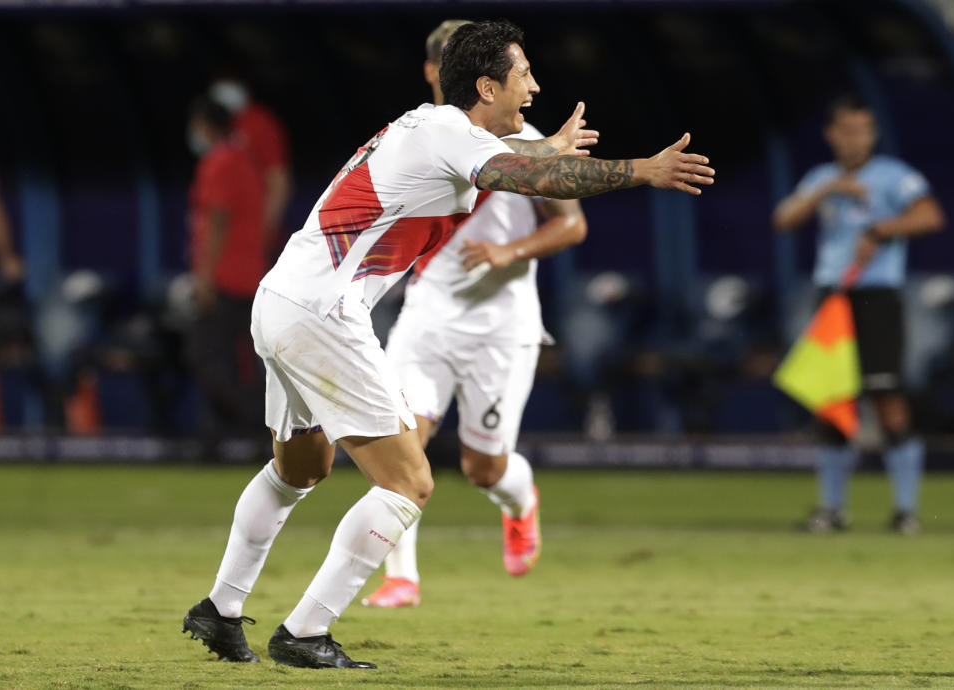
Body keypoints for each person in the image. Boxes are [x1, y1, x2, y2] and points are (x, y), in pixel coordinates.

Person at [182, 19, 714, 670]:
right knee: (410, 481)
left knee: (300, 470)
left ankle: (220, 610)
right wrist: (643, 169)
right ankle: (305, 632)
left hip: (283, 302)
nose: (535, 84)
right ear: (486, 86)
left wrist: (551, 147)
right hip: (324, 314)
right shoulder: (444, 132)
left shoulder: (446, 129)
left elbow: (534, 163)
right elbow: (534, 180)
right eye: (524, 74)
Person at [361, 19, 588, 609]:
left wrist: (508, 252)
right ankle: (400, 576)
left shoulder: (527, 140)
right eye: (442, 61)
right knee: (401, 443)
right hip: (429, 315)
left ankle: (521, 501)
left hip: (501, 325)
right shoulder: (416, 137)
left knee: (483, 468)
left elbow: (572, 223)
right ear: (435, 71)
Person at [773, 94, 945, 534]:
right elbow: (785, 218)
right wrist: (826, 190)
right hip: (834, 296)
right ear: (832, 134)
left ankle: (906, 510)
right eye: (849, 130)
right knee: (833, 401)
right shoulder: (823, 177)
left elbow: (930, 215)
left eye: (865, 130)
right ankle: (833, 509)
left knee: (887, 397)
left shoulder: (893, 176)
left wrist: (881, 229)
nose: (858, 139)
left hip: (877, 295)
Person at [185, 96, 267, 453]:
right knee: (235, 360)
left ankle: (255, 425)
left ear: (206, 126)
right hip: (249, 274)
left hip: (225, 278)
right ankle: (215, 438)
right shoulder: (245, 160)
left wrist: (204, 278)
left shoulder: (219, 161)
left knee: (207, 358)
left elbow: (216, 221)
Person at [209, 78, 292, 254]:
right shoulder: (218, 126)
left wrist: (265, 231)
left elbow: (279, 180)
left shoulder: (257, 122)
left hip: (252, 235)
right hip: (226, 235)